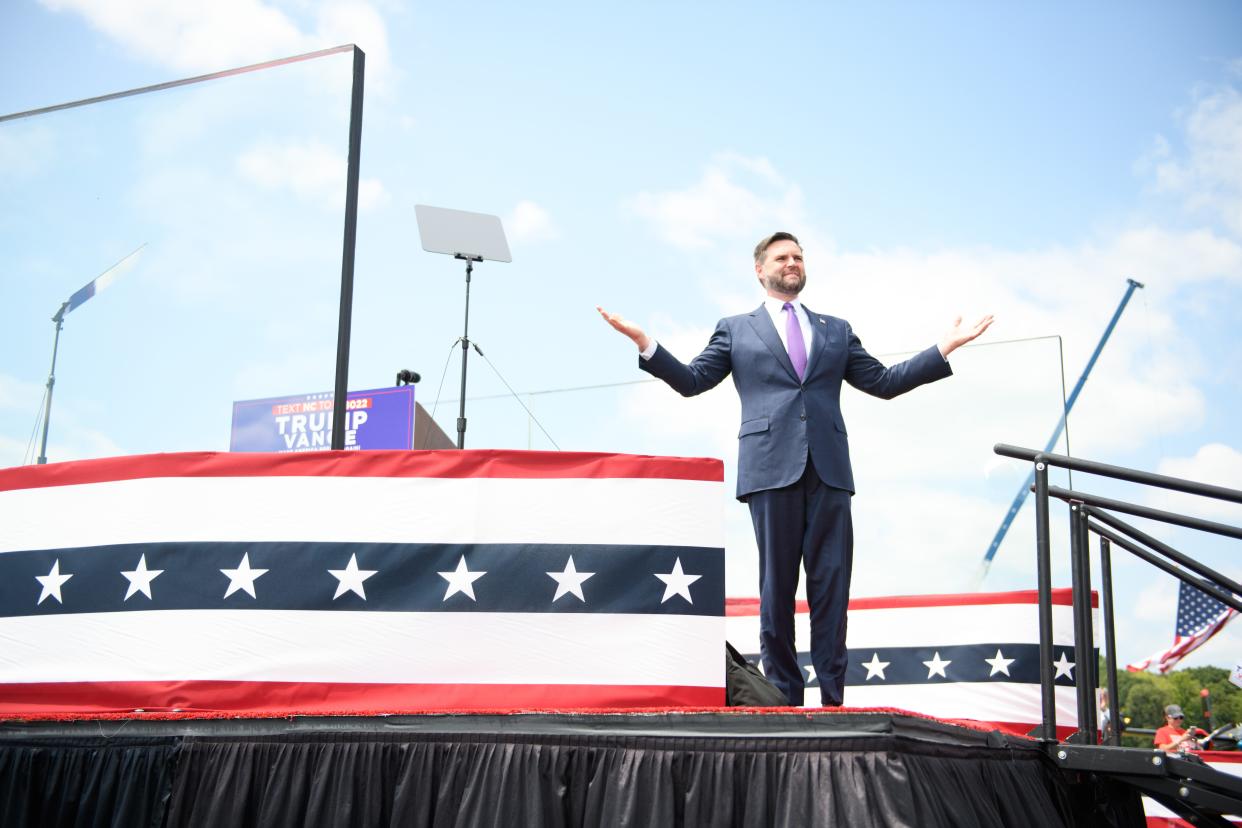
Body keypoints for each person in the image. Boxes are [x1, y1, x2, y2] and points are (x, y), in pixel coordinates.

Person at [598, 231, 993, 706]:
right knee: (776, 590)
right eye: (782, 257)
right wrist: (645, 343)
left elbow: (884, 383)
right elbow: (692, 381)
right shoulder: (735, 328)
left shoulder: (836, 329)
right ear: (759, 269)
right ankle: (783, 698)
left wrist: (942, 348)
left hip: (829, 473)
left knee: (831, 589)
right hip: (769, 471)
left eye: (799, 257)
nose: (793, 263)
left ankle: (832, 699)